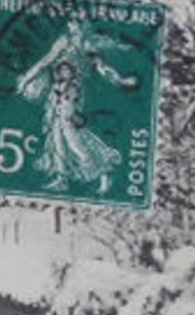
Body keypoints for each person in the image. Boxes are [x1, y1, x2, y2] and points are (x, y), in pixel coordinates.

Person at [16, 20, 137, 193]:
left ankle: (104, 172)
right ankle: (61, 178)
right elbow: (45, 62)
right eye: (71, 22)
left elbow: (102, 68)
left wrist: (120, 80)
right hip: (56, 93)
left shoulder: (88, 44)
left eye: (77, 22)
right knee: (56, 138)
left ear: (84, 25)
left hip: (71, 95)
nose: (72, 25)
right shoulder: (64, 41)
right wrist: (27, 79)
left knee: (73, 138)